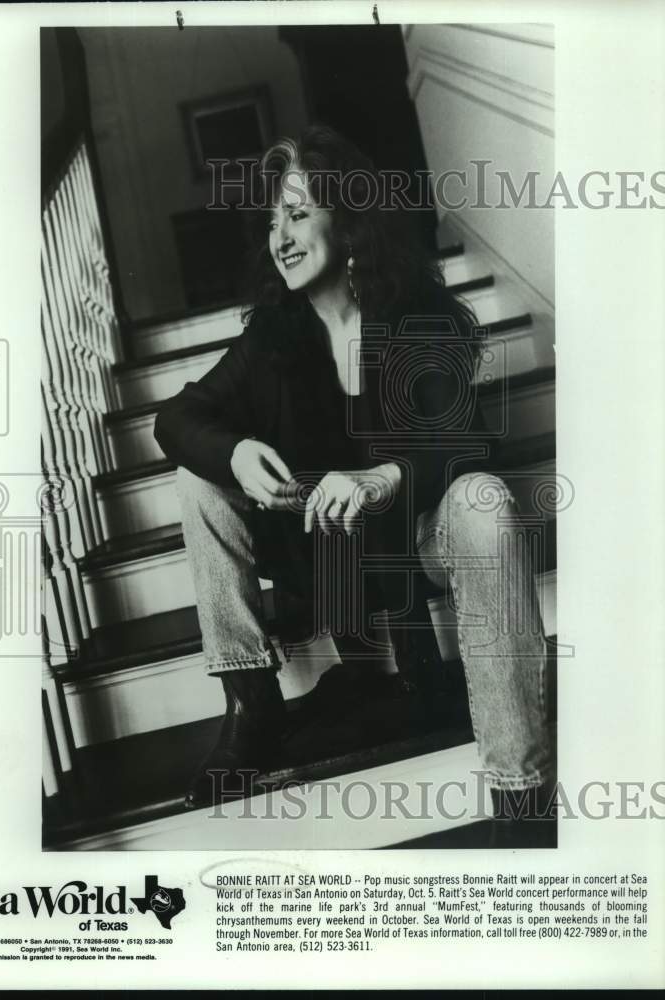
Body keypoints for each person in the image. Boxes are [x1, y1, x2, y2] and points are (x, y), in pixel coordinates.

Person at [154, 125, 554, 841]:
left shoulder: (416, 315)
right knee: (199, 474)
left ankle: (520, 792)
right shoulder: (272, 337)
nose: (280, 235)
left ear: (347, 215)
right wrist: (238, 450)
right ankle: (251, 699)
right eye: (273, 219)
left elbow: (461, 438)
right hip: (318, 555)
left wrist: (384, 476)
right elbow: (178, 416)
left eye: (299, 213)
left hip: (415, 540)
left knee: (484, 498)